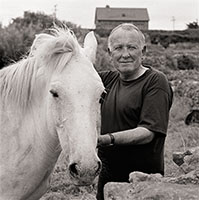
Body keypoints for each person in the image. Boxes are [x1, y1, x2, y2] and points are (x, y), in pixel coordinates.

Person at [96, 23, 173, 200]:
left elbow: (148, 132)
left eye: (132, 47)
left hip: (142, 183)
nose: (125, 54)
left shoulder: (156, 82)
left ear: (143, 51)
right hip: (107, 178)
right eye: (118, 48)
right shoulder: (107, 80)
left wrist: (106, 139)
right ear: (109, 53)